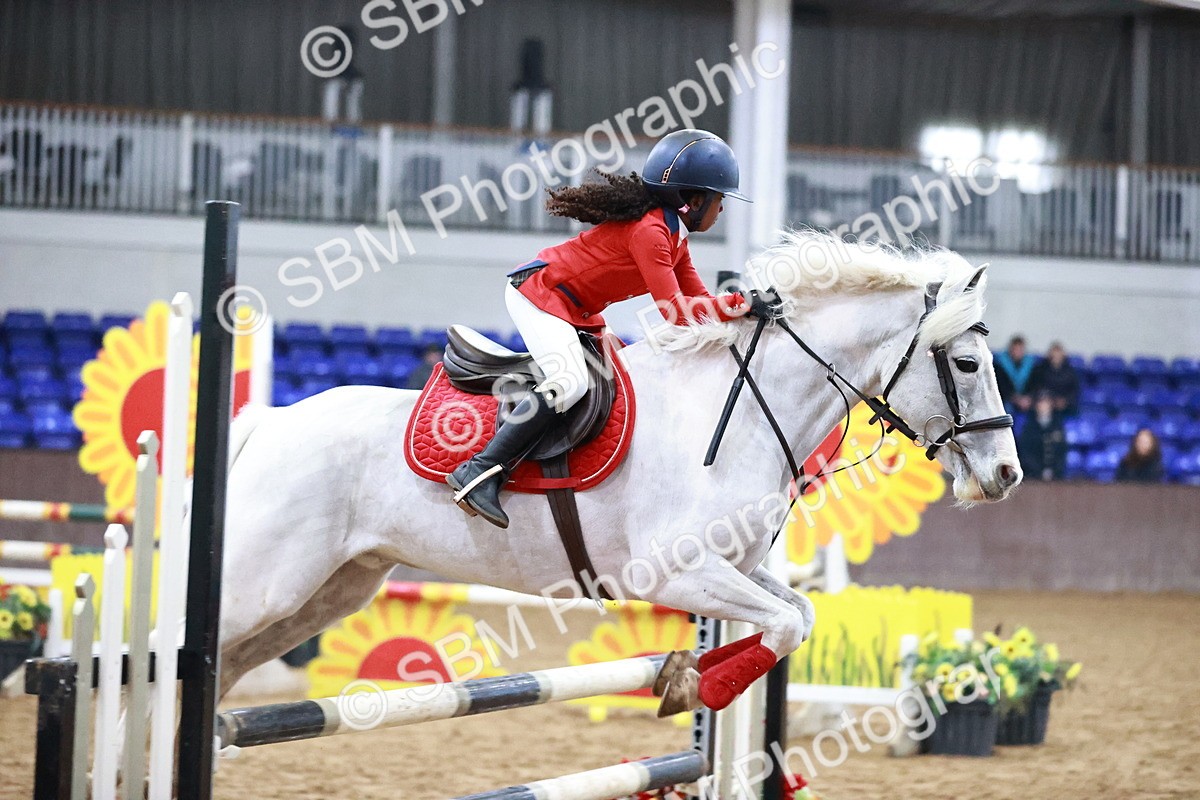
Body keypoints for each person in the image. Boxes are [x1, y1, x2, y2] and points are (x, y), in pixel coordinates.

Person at [446, 129, 775, 529]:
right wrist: (740, 304)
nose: (722, 209)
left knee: (620, 371)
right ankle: (480, 471)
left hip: (576, 310)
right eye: (720, 198)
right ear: (693, 201)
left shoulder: (675, 239)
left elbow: (700, 305)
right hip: (539, 295)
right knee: (570, 383)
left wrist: (747, 309)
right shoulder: (651, 233)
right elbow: (675, 313)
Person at [1017, 393, 1066, 481]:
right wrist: (1038, 471)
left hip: (1057, 476)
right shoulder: (1029, 426)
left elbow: (1062, 450)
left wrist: (1055, 470)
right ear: (1036, 406)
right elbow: (1025, 451)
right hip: (1033, 475)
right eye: (1040, 403)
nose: (1043, 406)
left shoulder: (1057, 425)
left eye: (1046, 403)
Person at [1028, 341, 1080, 416]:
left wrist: (1065, 400)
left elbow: (1074, 390)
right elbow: (1038, 387)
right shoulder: (1041, 370)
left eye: (1058, 354)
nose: (1056, 357)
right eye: (1054, 355)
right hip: (1047, 403)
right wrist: (1051, 400)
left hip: (1066, 404)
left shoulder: (1070, 371)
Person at [994, 335, 1037, 413]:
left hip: (1027, 399)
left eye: (1020, 349)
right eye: (1015, 349)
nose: (1017, 352)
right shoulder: (1000, 364)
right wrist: (1016, 399)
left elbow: (1035, 384)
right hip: (1007, 399)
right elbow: (1001, 385)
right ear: (1010, 349)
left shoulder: (1031, 364)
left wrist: (1029, 398)